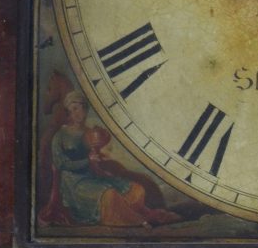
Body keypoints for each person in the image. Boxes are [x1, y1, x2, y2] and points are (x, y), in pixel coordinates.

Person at [42, 90, 179, 230]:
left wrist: (100, 156)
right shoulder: (61, 135)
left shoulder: (91, 132)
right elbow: (60, 163)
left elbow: (96, 156)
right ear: (68, 112)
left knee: (134, 189)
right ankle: (138, 220)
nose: (78, 113)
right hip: (73, 183)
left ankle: (144, 213)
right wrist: (87, 162)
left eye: (80, 108)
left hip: (93, 176)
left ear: (85, 109)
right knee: (109, 194)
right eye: (73, 109)